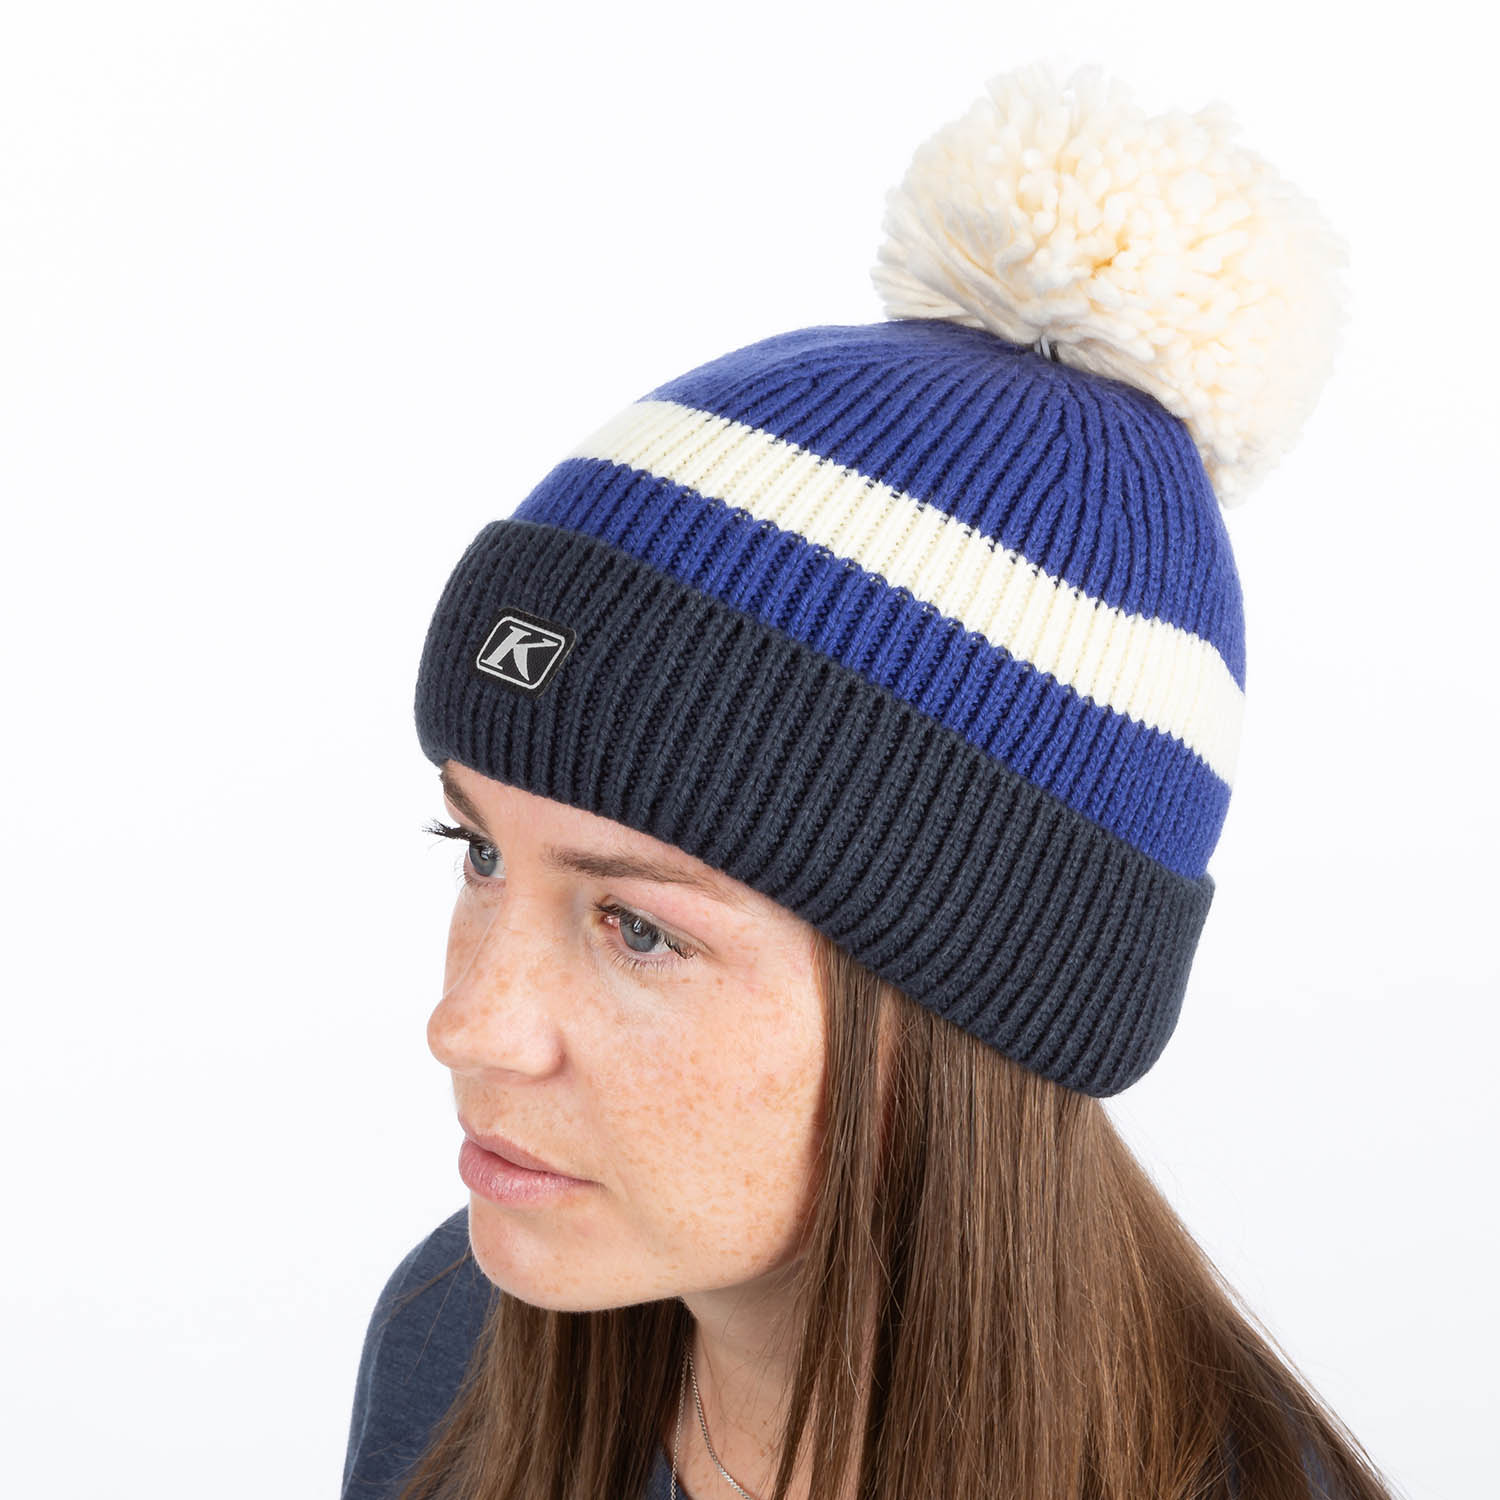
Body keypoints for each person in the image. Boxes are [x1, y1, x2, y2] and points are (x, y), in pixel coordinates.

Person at [342, 59, 1399, 1500]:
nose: (467, 1023)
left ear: (980, 1000)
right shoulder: (456, 1349)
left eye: (637, 925)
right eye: (477, 851)